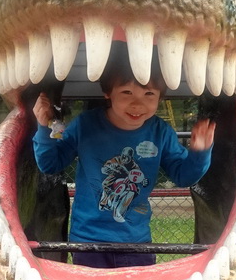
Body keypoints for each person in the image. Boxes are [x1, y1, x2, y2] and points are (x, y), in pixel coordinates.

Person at [32, 47, 216, 268]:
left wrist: (200, 152)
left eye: (149, 94)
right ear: (108, 92)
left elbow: (184, 176)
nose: (137, 104)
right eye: (127, 93)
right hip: (88, 241)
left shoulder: (160, 132)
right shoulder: (86, 125)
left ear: (160, 96)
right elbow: (50, 164)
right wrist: (44, 129)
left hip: (136, 243)